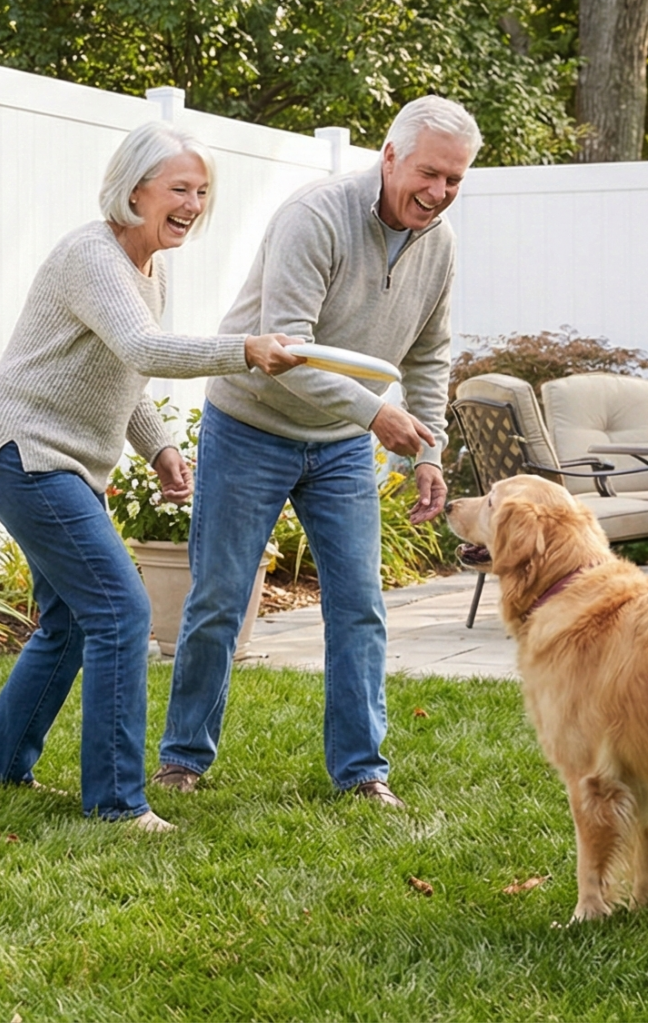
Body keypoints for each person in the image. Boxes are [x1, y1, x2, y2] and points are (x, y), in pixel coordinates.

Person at [0, 121, 303, 832]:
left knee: (68, 623)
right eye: (180, 188)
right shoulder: (92, 256)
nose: (193, 203)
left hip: (57, 461)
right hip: (25, 453)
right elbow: (144, 346)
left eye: (202, 191)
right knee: (121, 611)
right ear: (134, 188)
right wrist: (245, 350)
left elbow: (125, 368)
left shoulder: (149, 267)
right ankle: (117, 802)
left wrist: (157, 448)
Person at [154, 95, 478, 809]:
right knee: (219, 597)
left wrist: (426, 449)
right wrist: (375, 415)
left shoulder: (441, 243)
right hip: (252, 423)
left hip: (337, 446)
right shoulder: (318, 214)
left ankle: (363, 771)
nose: (439, 193)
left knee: (360, 605)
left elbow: (430, 353)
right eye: (429, 173)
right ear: (389, 155)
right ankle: (182, 757)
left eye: (454, 180)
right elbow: (285, 350)